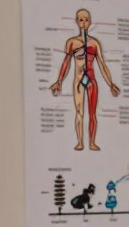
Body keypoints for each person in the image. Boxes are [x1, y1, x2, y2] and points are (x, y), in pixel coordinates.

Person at [50, 8, 120, 151]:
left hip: (92, 81)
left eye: (86, 19)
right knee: (79, 113)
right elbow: (66, 62)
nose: (83, 22)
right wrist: (59, 81)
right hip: (78, 81)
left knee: (92, 113)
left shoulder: (95, 43)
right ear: (76, 21)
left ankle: (92, 142)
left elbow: (101, 64)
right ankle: (80, 142)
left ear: (90, 22)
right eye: (81, 19)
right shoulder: (71, 42)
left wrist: (110, 84)